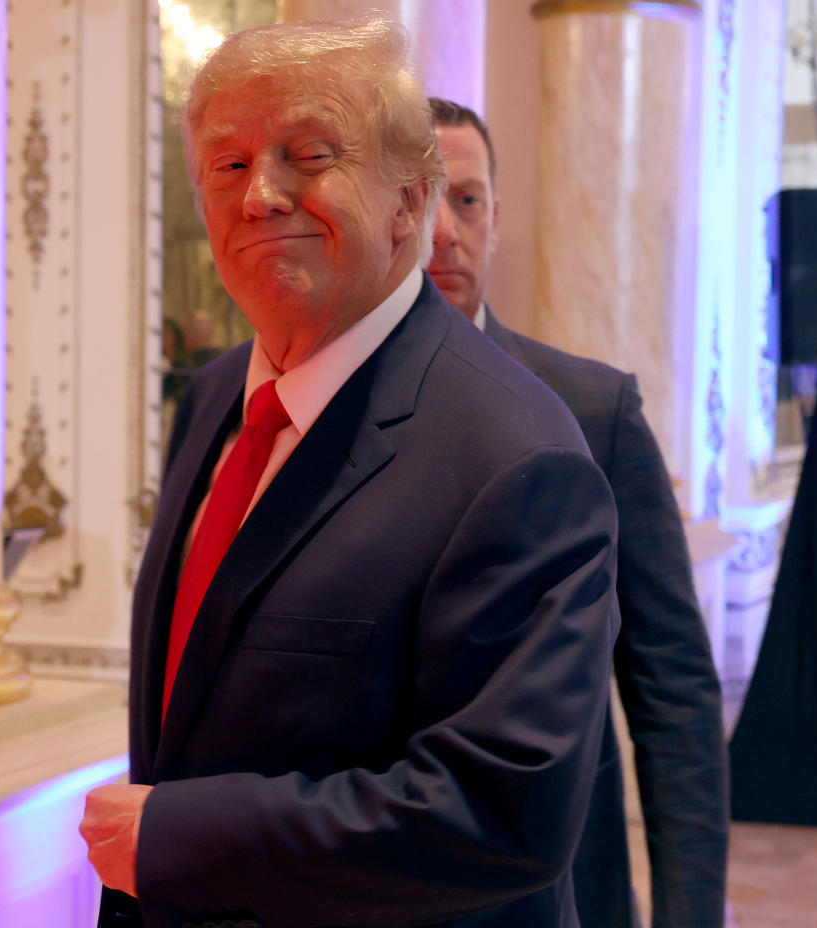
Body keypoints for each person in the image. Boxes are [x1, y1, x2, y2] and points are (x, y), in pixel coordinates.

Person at [79, 20, 621, 927]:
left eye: (308, 154)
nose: (259, 196)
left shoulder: (520, 458)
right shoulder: (214, 401)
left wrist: (180, 837)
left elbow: (501, 811)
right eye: (228, 163)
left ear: (410, 200)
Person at [427, 97, 729, 928]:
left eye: (468, 199)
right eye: (422, 199)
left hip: (569, 897)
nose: (445, 231)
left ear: (496, 215)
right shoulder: (319, 417)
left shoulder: (592, 410)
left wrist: (691, 913)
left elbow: (673, 694)